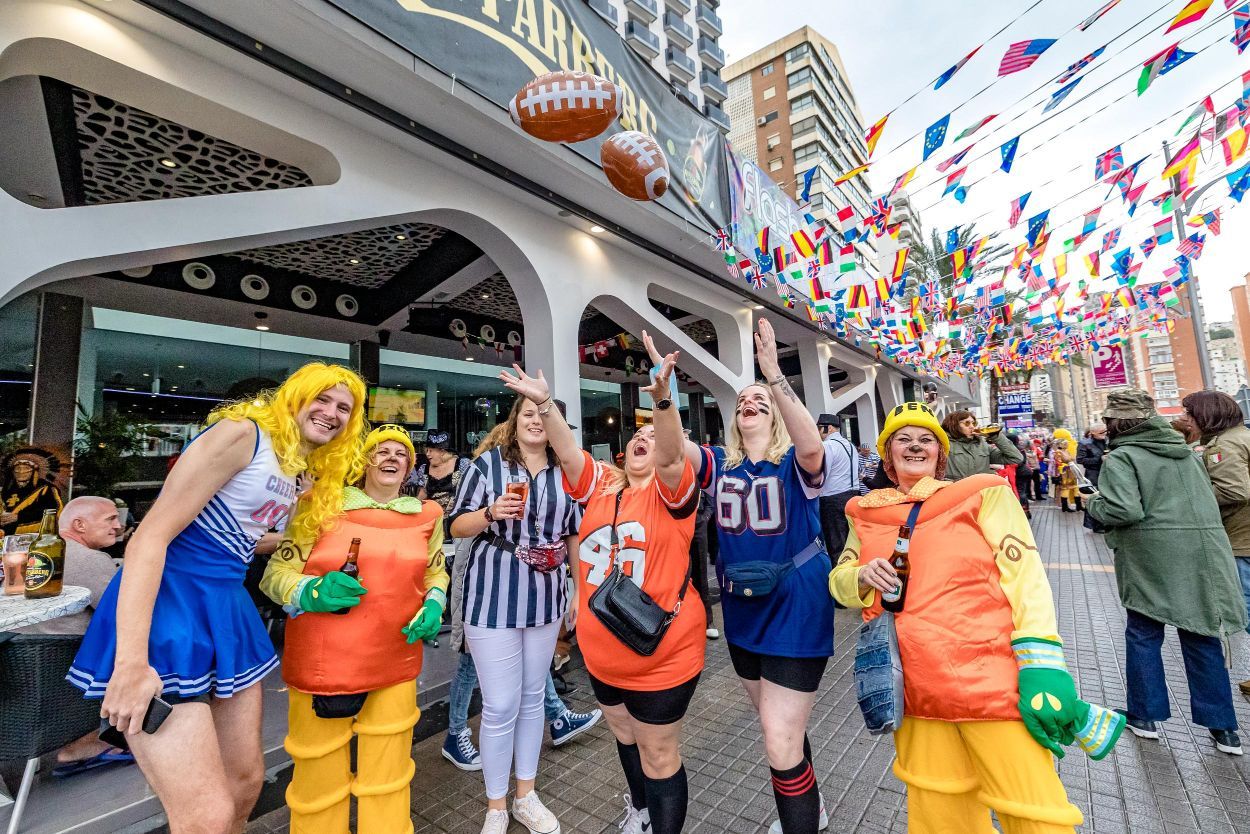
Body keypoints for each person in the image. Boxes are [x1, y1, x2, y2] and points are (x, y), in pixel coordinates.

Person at [67, 363, 368, 833]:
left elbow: (241, 539)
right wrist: (130, 664)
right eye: (322, 399)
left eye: (344, 408)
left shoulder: (295, 466)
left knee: (245, 783)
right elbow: (148, 539)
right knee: (206, 816)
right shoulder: (242, 434)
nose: (331, 413)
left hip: (226, 606)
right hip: (171, 605)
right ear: (293, 398)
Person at [831, 402, 1122, 834]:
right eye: (902, 439)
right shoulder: (865, 512)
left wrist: (1043, 665)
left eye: (926, 438)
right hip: (913, 689)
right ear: (887, 456)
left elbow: (1024, 576)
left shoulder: (982, 493)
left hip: (991, 684)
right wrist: (858, 576)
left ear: (940, 454)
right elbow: (839, 582)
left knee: (1034, 811)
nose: (915, 445)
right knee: (938, 812)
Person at [500, 337, 704, 834]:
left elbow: (674, 457)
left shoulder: (673, 496)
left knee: (658, 753)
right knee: (625, 737)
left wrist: (661, 401)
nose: (645, 441)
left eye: (652, 438)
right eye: (638, 437)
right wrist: (545, 404)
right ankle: (639, 812)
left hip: (662, 652)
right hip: (601, 650)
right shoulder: (600, 488)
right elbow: (567, 452)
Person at [679, 319, 835, 834]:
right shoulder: (720, 465)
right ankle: (810, 802)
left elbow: (813, 448)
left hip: (796, 606)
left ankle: (800, 823)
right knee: (780, 727)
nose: (749, 403)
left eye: (759, 401)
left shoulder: (794, 463)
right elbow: (673, 450)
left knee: (777, 738)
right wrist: (662, 396)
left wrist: (773, 376)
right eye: (742, 400)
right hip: (744, 609)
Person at [258, 425, 446, 833]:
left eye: (401, 453)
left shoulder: (428, 516)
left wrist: (434, 602)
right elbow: (276, 575)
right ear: (364, 461)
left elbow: (435, 572)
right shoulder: (319, 507)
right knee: (318, 778)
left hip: (396, 659)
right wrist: (310, 591)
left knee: (389, 775)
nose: (392, 457)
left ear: (410, 467)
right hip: (324, 664)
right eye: (382, 451)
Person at [447, 395, 582, 834]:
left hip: (545, 597)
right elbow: (455, 525)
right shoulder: (487, 467)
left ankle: (526, 795)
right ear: (515, 420)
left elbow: (574, 534)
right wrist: (489, 513)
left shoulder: (568, 474)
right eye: (528, 413)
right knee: (500, 704)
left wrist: (577, 588)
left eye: (545, 415)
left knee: (529, 701)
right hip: (492, 597)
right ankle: (495, 806)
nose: (536, 421)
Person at [1086, 389, 1247, 755]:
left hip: (1152, 559)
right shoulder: (1186, 453)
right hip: (1204, 554)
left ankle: (1144, 716)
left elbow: (1123, 510)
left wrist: (1093, 501)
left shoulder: (1123, 457)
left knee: (1143, 632)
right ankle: (1224, 730)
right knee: (1202, 636)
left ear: (1116, 423)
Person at [17, 497, 131, 776]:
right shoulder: (88, 559)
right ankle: (94, 740)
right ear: (79, 525)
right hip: (69, 668)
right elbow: (124, 611)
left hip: (25, 667)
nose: (118, 526)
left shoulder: (34, 552)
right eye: (110, 519)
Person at [1183, 390, 1250, 699]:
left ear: (1206, 416)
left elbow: (1235, 491)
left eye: (1189, 414)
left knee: (1245, 606)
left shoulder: (1223, 446)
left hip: (1241, 538)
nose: (1185, 420)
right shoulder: (1241, 436)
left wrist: (1193, 492)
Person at [815, 414, 860, 558]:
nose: (818, 432)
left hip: (833, 499)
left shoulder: (828, 445)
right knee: (852, 540)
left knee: (836, 543)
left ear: (827, 428)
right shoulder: (851, 446)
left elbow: (821, 474)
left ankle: (838, 576)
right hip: (853, 495)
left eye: (819, 429)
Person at [940, 411, 1023, 482]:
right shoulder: (943, 444)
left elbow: (1016, 458)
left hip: (983, 494)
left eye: (974, 423)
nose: (972, 426)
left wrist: (995, 436)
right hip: (956, 495)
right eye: (967, 423)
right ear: (953, 425)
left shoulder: (982, 445)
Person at [1, 446, 63, 535]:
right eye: (17, 468)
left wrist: (19, 517)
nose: (21, 471)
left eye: (26, 468)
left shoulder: (46, 488)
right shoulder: (7, 489)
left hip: (31, 536)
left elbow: (54, 511)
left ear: (35, 471)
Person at [1077, 425, 1107, 532]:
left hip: (1107, 473)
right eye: (1101, 432)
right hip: (1093, 474)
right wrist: (1099, 459)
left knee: (1106, 498)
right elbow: (1080, 460)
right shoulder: (1085, 443)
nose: (1104, 434)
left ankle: (1105, 523)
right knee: (1095, 497)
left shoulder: (1107, 441)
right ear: (1093, 433)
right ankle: (1097, 525)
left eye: (1105, 432)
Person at [1049, 429, 1081, 513]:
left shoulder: (1065, 451)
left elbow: (1071, 458)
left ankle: (1078, 505)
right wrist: (1068, 460)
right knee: (1066, 488)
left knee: (1075, 487)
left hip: (1070, 470)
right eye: (1065, 443)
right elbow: (1067, 459)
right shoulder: (1058, 452)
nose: (1067, 444)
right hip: (1064, 471)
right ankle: (1065, 506)